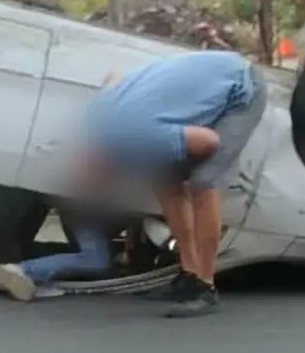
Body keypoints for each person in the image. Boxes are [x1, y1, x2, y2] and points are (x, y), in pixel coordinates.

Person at [79, 50, 267, 318]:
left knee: (203, 180)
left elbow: (209, 141)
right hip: (210, 74)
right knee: (163, 177)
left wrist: (184, 154)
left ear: (111, 166)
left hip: (241, 88)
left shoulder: (139, 136)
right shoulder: (95, 119)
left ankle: (205, 285)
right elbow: (114, 76)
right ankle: (188, 274)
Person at [0, 201, 114, 302]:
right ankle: (24, 270)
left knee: (90, 258)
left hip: (78, 204)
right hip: (84, 205)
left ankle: (35, 278)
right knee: (96, 260)